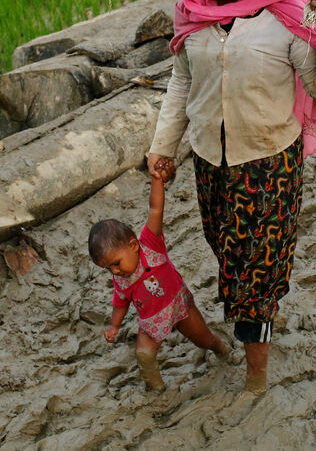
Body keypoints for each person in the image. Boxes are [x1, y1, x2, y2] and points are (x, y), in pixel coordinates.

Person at [147, 0, 316, 395]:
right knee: (228, 255)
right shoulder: (192, 16)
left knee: (257, 273)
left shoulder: (287, 15)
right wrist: (163, 147)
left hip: (269, 163)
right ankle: (250, 326)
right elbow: (181, 83)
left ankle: (256, 376)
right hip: (210, 165)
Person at [89, 157, 230, 392]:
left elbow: (155, 209)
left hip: (178, 306)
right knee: (144, 354)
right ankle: (158, 390)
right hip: (151, 321)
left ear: (133, 245)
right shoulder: (121, 280)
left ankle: (220, 348)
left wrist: (157, 181)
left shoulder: (150, 244)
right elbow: (120, 303)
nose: (115, 271)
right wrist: (114, 326)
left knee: (203, 339)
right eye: (108, 269)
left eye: (116, 263)